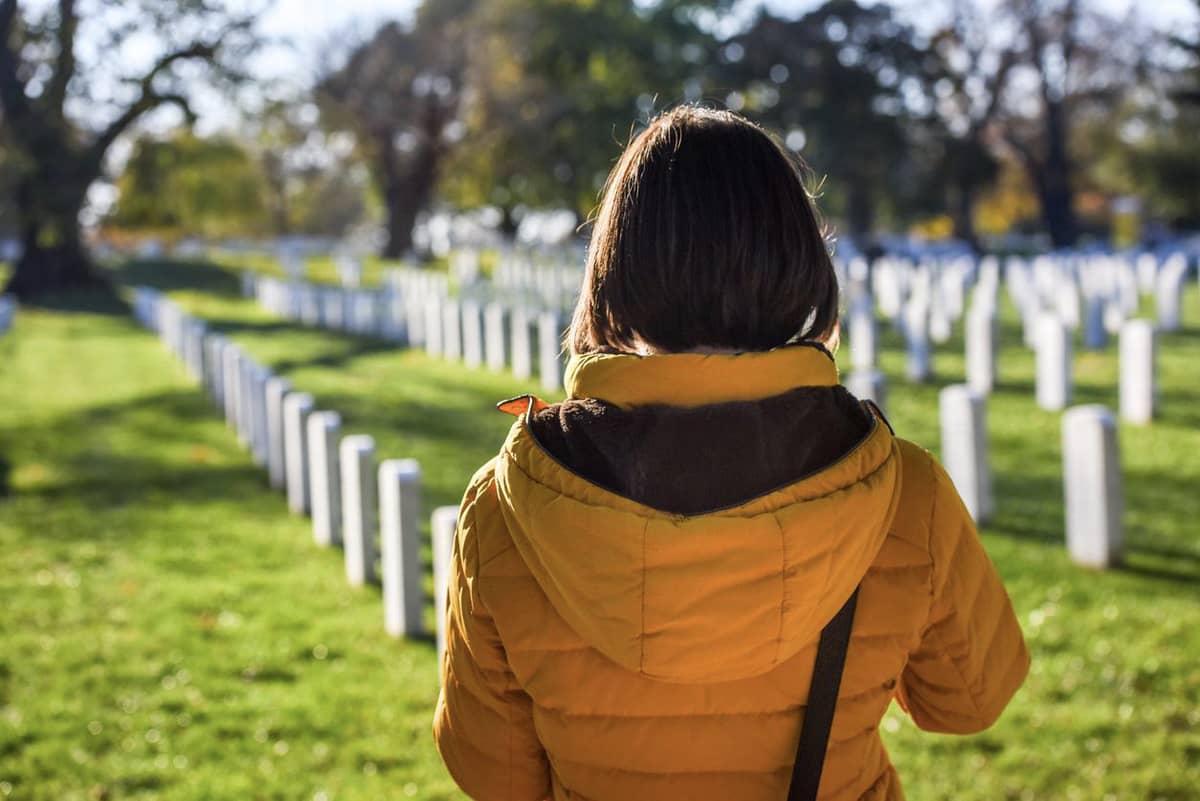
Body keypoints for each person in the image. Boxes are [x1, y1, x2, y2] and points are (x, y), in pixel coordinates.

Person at [433, 105, 1029, 801]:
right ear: (796, 255)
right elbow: (967, 700)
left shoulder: (506, 503)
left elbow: (492, 772)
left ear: (616, 261)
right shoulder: (905, 489)